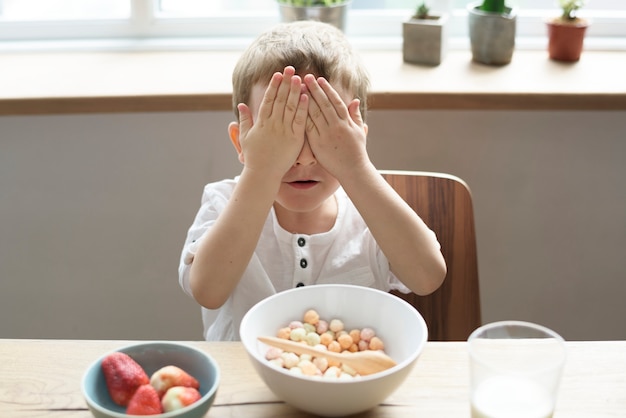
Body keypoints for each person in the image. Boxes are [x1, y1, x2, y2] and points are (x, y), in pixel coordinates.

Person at [178, 20, 446, 341]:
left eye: (323, 134)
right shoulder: (223, 202)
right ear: (241, 143)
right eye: (280, 134)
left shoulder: (372, 217)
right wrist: (261, 171)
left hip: (348, 387)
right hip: (247, 385)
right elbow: (208, 290)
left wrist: (356, 167)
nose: (304, 158)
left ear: (355, 140)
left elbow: (428, 276)